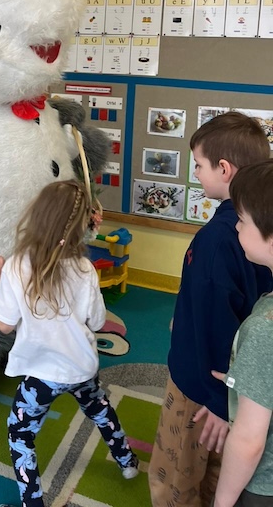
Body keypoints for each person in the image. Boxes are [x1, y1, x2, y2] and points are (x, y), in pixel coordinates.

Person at [0, 179, 139, 507]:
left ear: (37, 215)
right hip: (81, 367)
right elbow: (97, 323)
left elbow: (4, 324)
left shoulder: (17, 266)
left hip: (42, 376)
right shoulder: (84, 269)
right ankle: (128, 463)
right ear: (82, 227)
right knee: (100, 409)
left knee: (20, 434)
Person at [148, 111, 272, 507]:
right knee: (216, 471)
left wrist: (219, 401)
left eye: (199, 165)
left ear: (224, 168)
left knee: (176, 477)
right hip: (237, 393)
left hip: (202, 390)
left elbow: (221, 325)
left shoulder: (218, 240)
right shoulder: (255, 231)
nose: (197, 174)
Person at [204, 159, 273, 507]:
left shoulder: (265, 329)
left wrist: (223, 502)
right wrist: (250, 375)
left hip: (262, 486)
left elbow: (248, 440)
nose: (235, 226)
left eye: (243, 220)